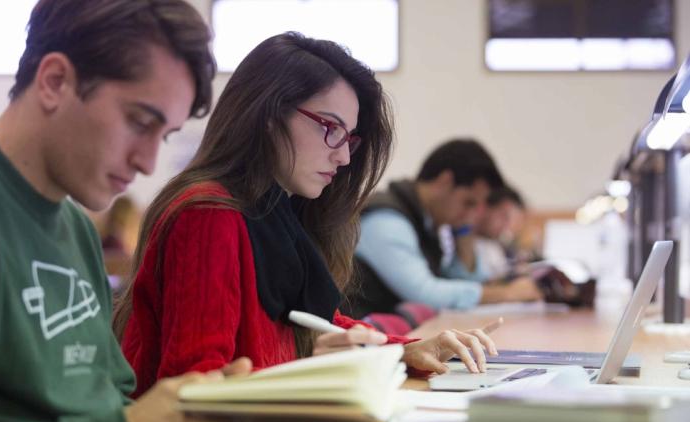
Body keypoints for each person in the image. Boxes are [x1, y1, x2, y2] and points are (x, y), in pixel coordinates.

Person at [112, 32, 500, 398]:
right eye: (330, 128)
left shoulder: (276, 211)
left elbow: (315, 319)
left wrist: (405, 349)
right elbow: (195, 388)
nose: (343, 156)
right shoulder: (210, 213)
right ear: (269, 114)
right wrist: (312, 369)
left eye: (349, 138)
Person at [0, 1, 250, 422]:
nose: (148, 162)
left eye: (164, 136)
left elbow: (107, 399)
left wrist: (188, 416)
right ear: (55, 81)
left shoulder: (76, 228)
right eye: (140, 122)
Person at [349, 139, 542, 318]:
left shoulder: (428, 223)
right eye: (468, 202)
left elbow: (459, 281)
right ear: (445, 182)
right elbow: (424, 293)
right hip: (354, 336)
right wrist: (507, 293)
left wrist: (464, 234)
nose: (473, 215)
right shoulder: (387, 220)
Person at [474, 185, 528, 280]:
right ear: (484, 208)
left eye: (512, 220)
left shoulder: (491, 244)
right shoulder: (462, 239)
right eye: (504, 216)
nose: (506, 226)